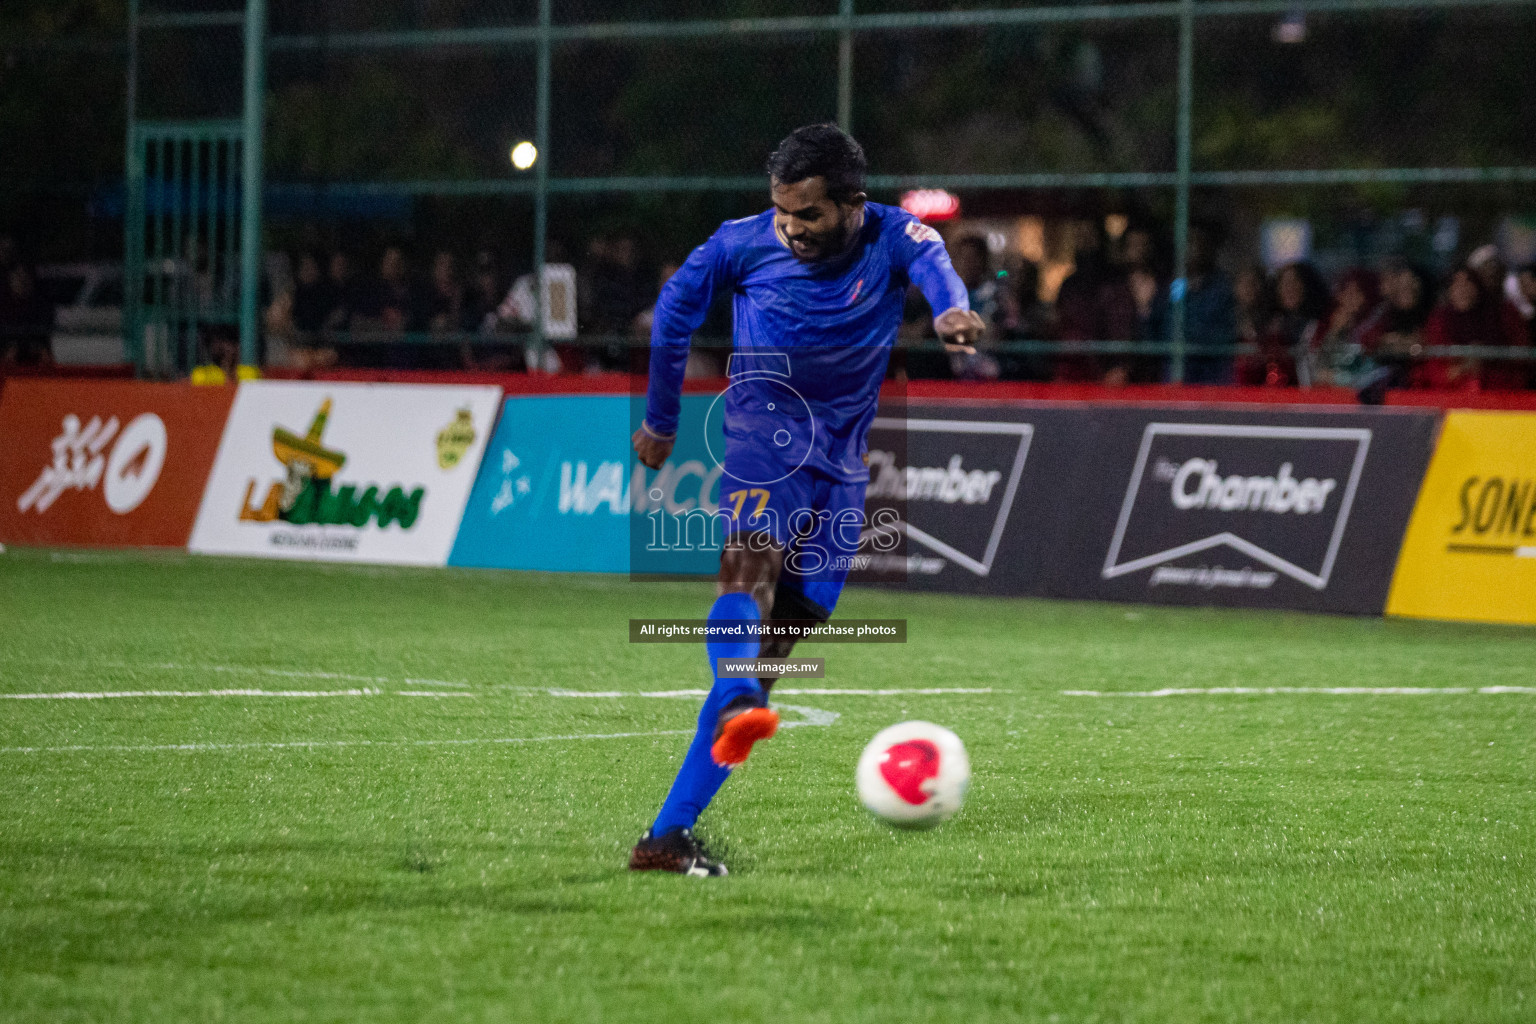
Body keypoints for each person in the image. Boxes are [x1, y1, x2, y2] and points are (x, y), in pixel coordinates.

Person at [627, 123, 983, 876]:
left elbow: (936, 263)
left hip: (845, 464)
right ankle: (727, 709)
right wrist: (662, 418)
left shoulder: (892, 235)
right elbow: (673, 313)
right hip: (765, 431)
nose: (791, 228)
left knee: (779, 645)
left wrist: (952, 309)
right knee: (745, 574)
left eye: (809, 214)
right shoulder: (739, 243)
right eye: (782, 211)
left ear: (853, 204)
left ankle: (666, 837)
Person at [1422, 265, 1528, 390]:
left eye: (1468, 282)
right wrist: (1464, 366)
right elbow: (1435, 371)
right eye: (1455, 284)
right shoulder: (1439, 320)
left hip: (1501, 393)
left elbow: (1522, 357)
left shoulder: (1502, 314)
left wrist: (1486, 357)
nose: (1462, 289)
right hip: (1451, 395)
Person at [1179, 223, 1238, 384]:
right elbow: (1168, 322)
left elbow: (1226, 330)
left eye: (1197, 243)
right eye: (1187, 243)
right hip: (1181, 370)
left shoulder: (1223, 287)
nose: (1191, 250)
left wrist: (1193, 338)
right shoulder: (1177, 284)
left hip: (1213, 372)